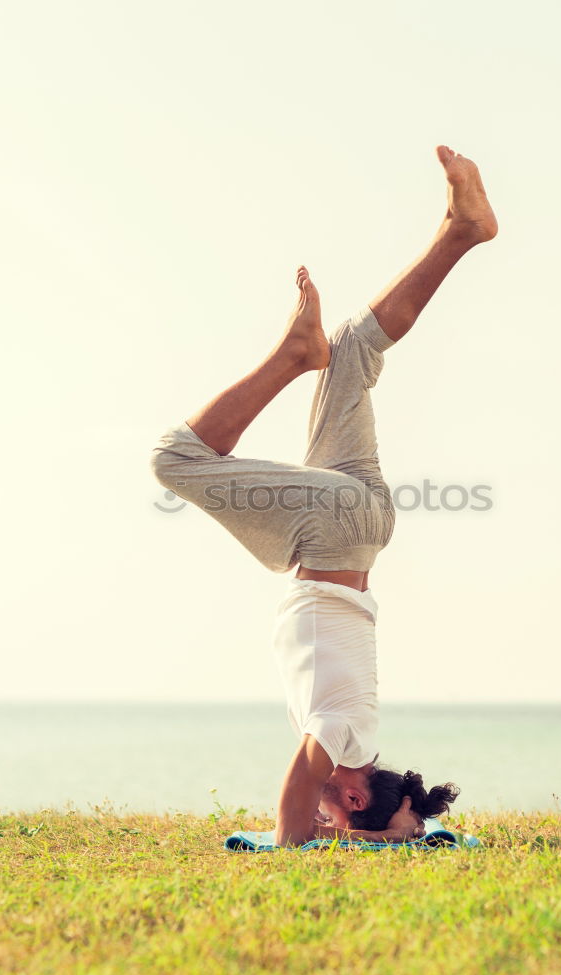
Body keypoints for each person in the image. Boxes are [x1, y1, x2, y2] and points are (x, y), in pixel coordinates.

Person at [150, 145, 498, 846]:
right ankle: (290, 357)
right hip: (333, 529)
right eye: (337, 817)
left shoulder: (356, 730)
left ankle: (462, 231)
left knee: (353, 349)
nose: (326, 823)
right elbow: (301, 785)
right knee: (174, 460)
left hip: (361, 527)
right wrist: (290, 848)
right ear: (350, 789)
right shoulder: (342, 740)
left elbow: (329, 797)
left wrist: (394, 829)